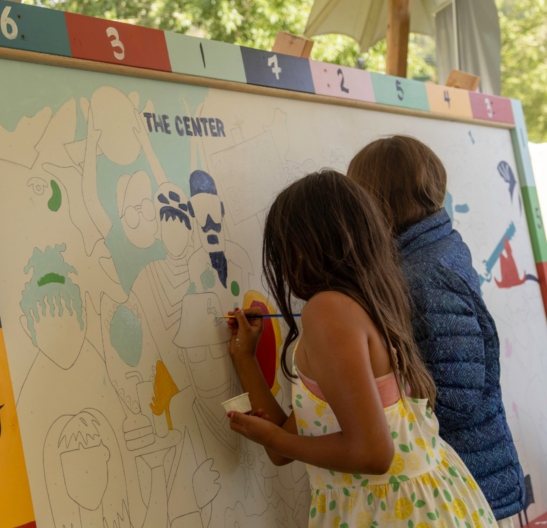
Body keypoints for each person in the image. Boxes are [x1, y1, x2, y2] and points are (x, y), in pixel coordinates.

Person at [225, 171, 496, 528]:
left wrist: (274, 437)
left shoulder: (327, 311)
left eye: (284, 249)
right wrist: (245, 357)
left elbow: (372, 452)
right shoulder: (369, 304)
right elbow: (281, 449)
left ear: (306, 246)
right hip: (425, 507)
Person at [348, 136, 525, 526]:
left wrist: (388, 409)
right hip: (466, 477)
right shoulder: (432, 249)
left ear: (377, 202)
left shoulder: (423, 274)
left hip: (467, 484)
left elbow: (458, 395)